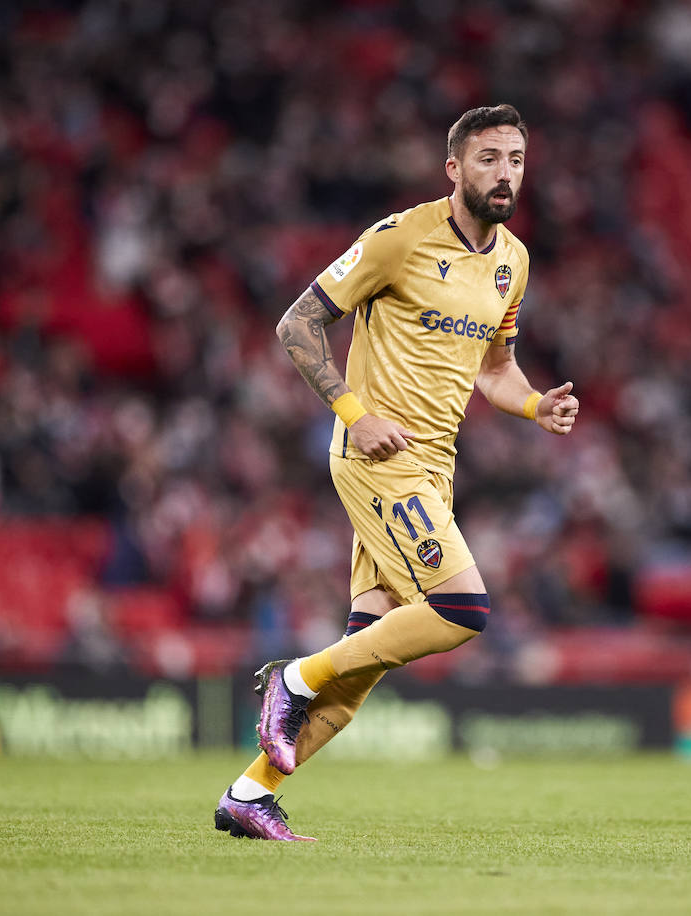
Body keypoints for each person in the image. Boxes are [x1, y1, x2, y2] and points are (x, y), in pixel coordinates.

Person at [213, 104, 579, 841]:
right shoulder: (399, 237)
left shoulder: (513, 261)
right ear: (454, 169)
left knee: (360, 672)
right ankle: (291, 678)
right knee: (463, 610)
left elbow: (497, 372)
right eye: (487, 159)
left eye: (514, 159)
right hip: (379, 457)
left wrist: (536, 405)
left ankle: (248, 796)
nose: (504, 173)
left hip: (433, 470)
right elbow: (297, 324)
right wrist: (353, 411)